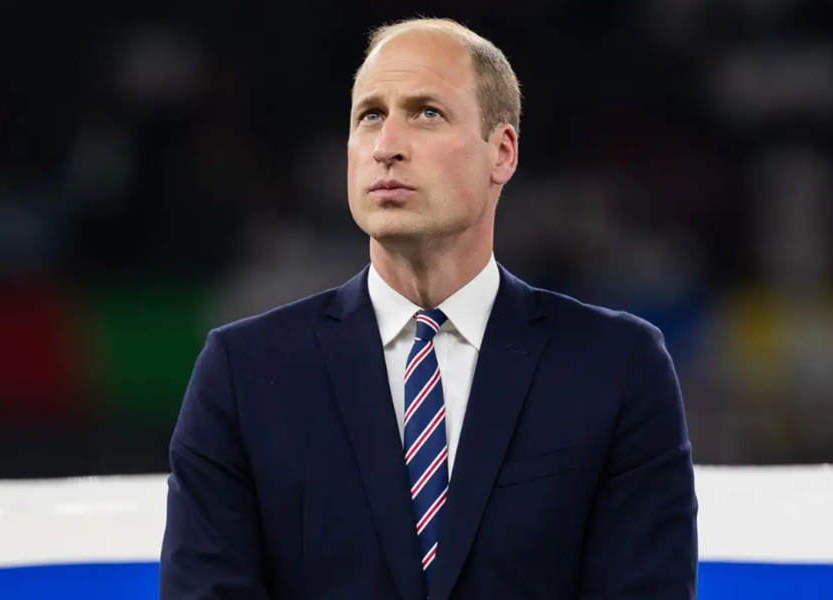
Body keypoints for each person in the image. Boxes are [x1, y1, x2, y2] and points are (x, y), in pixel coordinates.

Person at [159, 17, 698, 600]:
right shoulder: (243, 372)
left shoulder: (617, 367)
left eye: (427, 113)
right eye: (370, 116)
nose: (387, 146)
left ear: (502, 153)